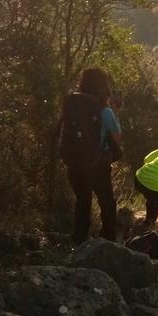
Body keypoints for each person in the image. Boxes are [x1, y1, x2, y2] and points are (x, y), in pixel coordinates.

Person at [58, 67, 123, 246]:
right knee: (107, 203)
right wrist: (115, 112)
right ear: (103, 85)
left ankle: (79, 242)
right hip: (97, 164)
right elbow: (116, 136)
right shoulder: (104, 109)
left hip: (74, 163)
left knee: (82, 202)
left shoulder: (72, 103)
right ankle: (107, 242)